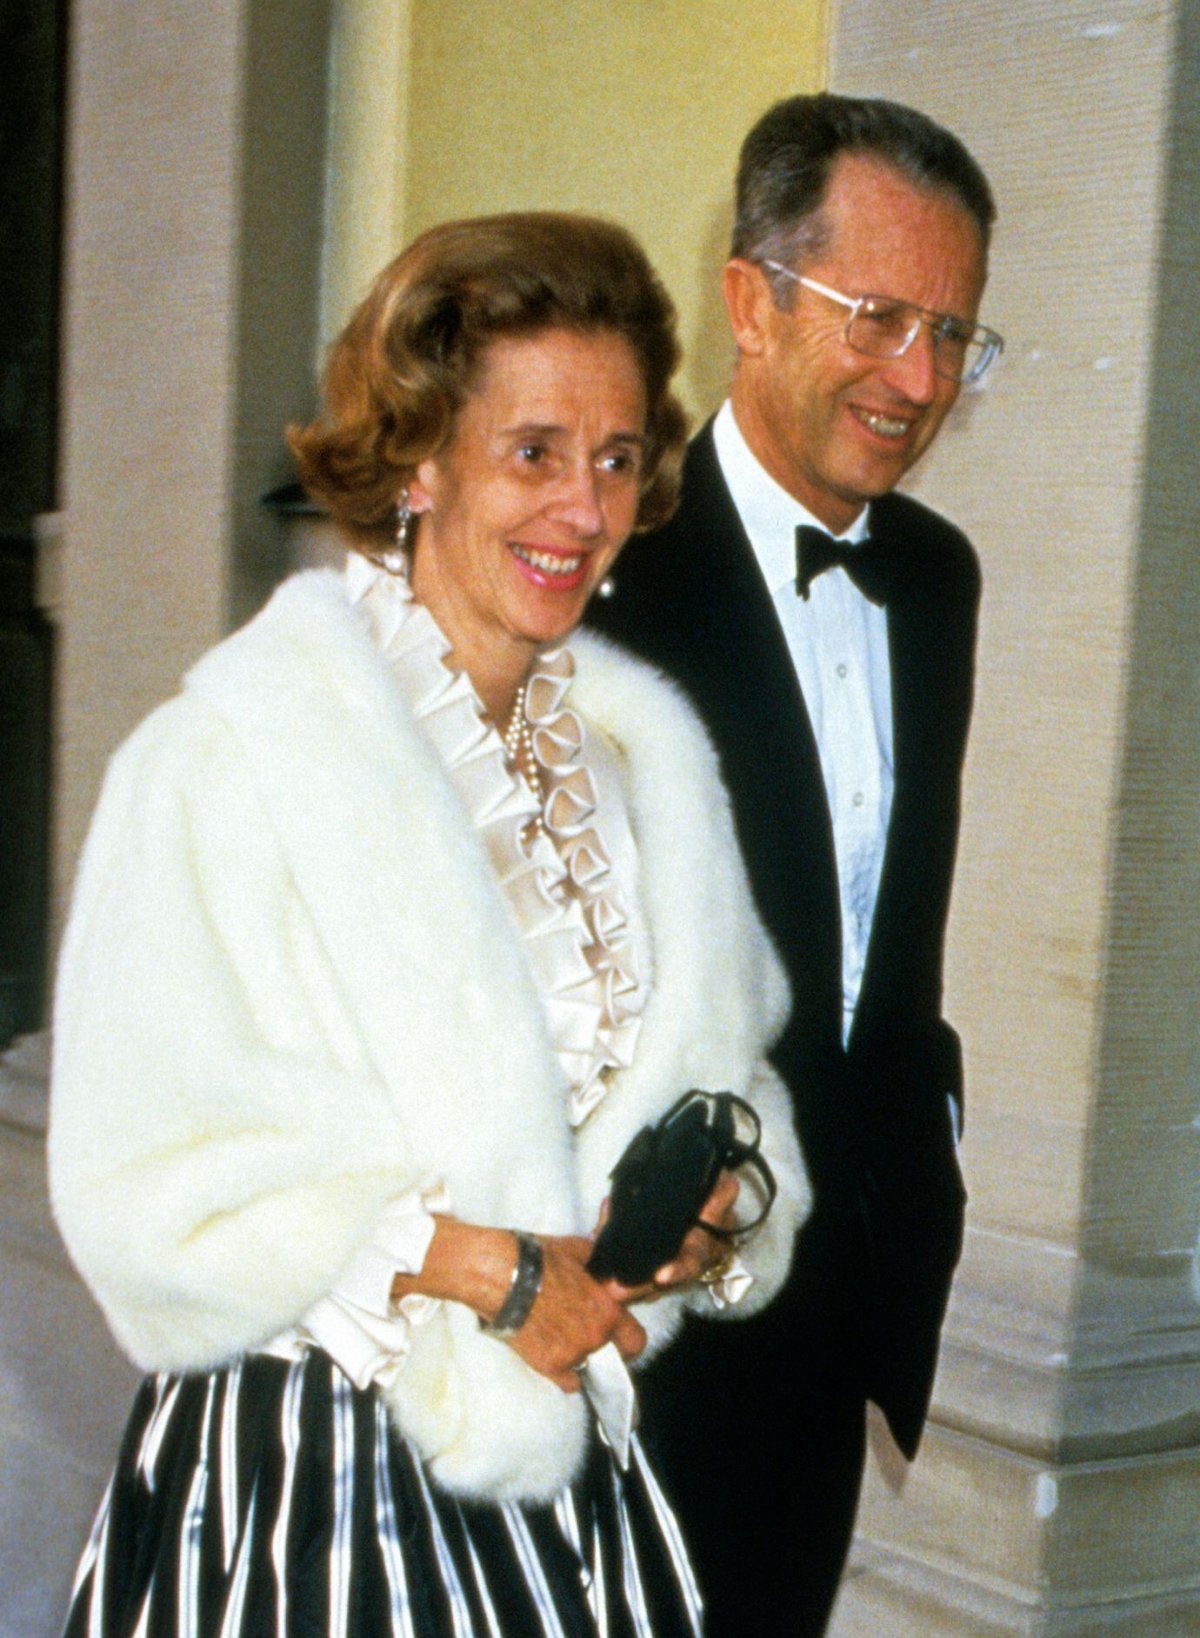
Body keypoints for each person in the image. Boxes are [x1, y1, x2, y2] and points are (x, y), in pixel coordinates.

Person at [48, 212, 810, 1638]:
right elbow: (139, 1182)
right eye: (534, 451)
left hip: (558, 1478)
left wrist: (706, 1219)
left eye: (619, 456)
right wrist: (485, 1265)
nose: (582, 509)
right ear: (419, 458)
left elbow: (728, 1074)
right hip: (310, 1493)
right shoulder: (231, 762)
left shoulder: (642, 772)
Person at [587, 94, 1000, 1635]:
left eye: (957, 334)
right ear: (751, 301)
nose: (921, 379)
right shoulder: (600, 569)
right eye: (880, 315)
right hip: (628, 1321)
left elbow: (881, 951)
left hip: (838, 1313)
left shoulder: (940, 580)